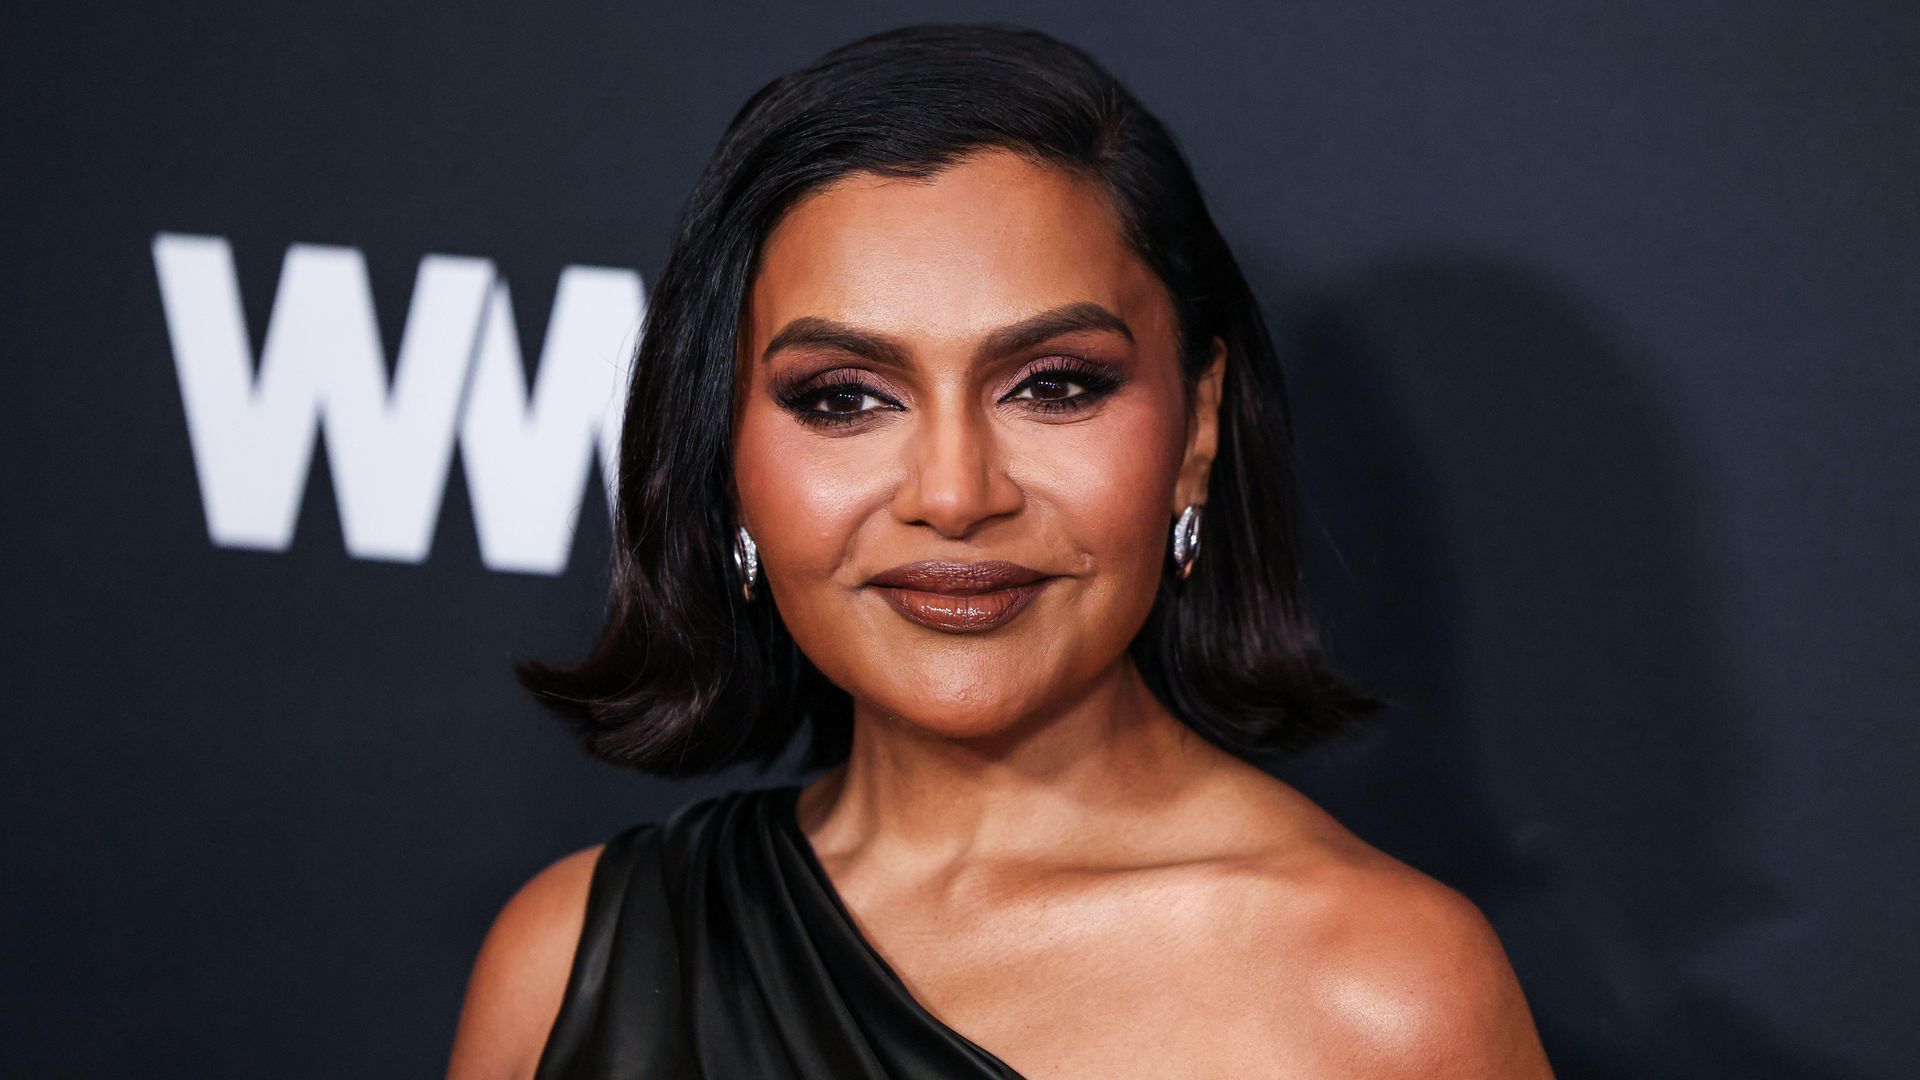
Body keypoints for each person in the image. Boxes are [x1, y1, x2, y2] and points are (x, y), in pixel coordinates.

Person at [446, 21, 1556, 1080]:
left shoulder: (1376, 996)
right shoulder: (566, 963)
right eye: (843, 398)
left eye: (1054, 386)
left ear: (1197, 429)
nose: (954, 495)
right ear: (722, 448)